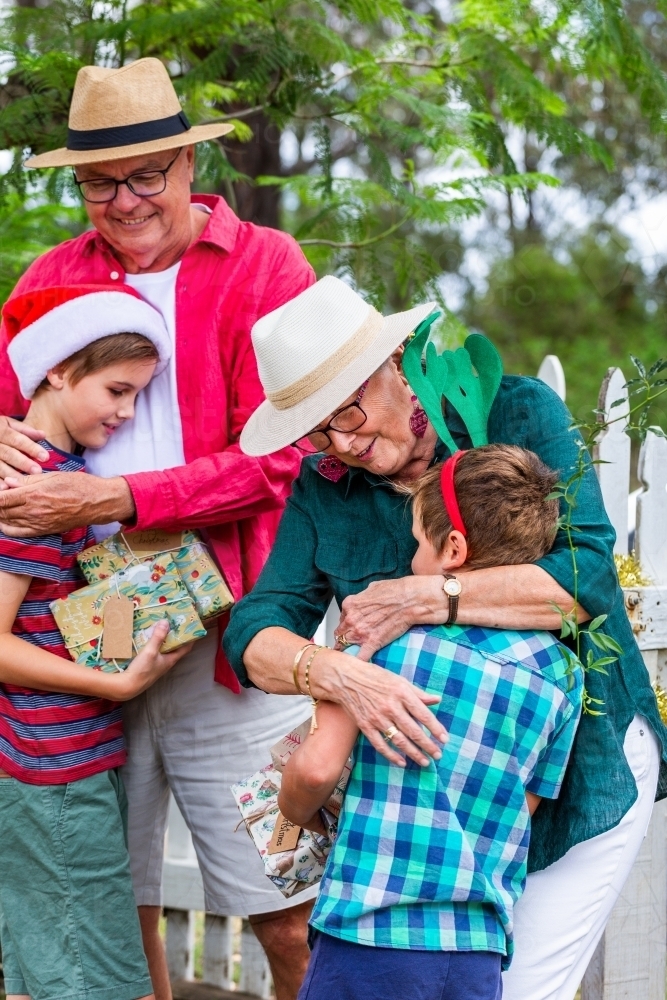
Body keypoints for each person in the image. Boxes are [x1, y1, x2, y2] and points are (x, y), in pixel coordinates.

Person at [223, 274, 666, 1000]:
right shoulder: (322, 487)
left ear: (396, 362)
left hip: (573, 763)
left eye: (349, 412)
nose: (343, 443)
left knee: (521, 990)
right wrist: (333, 674)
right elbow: (254, 628)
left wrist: (423, 596)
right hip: (430, 808)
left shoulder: (516, 410)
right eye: (319, 431)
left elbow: (585, 574)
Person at [0, 58, 316, 1000]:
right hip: (78, 637)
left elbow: (282, 458)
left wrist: (115, 499)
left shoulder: (266, 265)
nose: (126, 199)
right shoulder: (52, 275)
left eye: (147, 174)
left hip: (235, 628)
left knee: (287, 897)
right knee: (115, 897)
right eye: (101, 181)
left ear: (187, 163)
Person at [278, 444, 584, 1000]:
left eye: (417, 542)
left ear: (453, 549)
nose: (411, 557)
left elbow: (317, 771)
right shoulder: (562, 670)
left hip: (369, 936)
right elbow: (524, 808)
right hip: (477, 952)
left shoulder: (382, 643)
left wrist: (295, 809)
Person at [0, 284, 193, 1000]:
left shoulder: (69, 479)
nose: (127, 411)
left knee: (43, 979)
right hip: (50, 773)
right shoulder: (36, 488)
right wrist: (114, 685)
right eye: (116, 389)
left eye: (139, 395)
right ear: (56, 370)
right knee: (106, 984)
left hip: (67, 761)